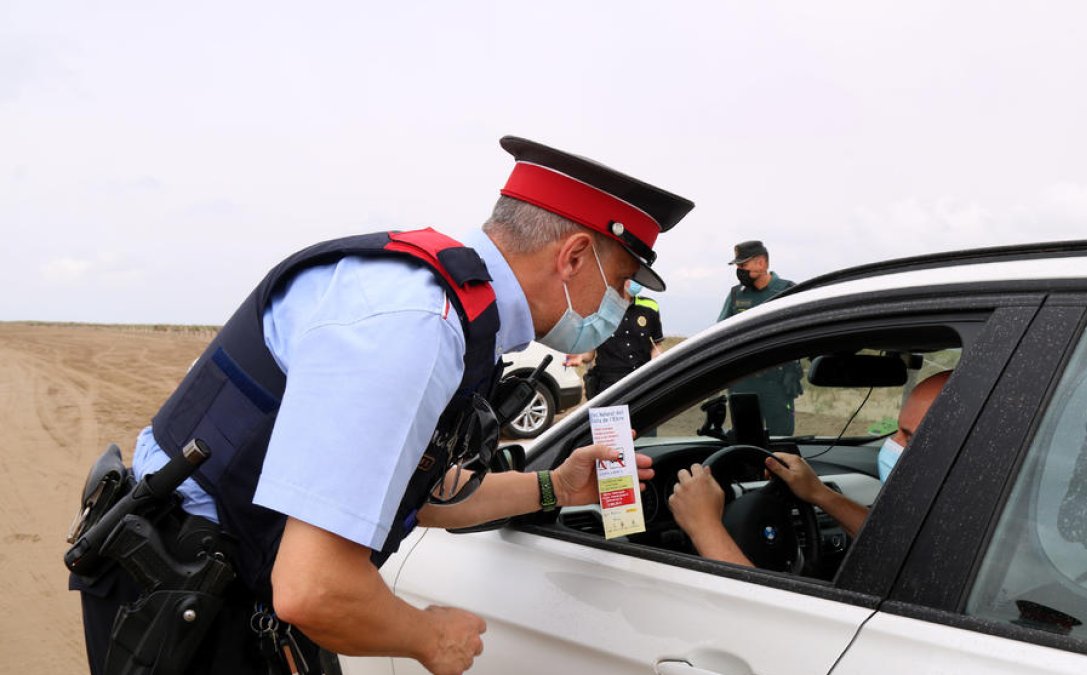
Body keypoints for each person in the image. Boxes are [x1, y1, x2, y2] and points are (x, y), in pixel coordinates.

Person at [68, 135, 693, 675]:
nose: (619, 305)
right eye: (620, 283)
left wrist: (556, 487)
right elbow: (314, 591)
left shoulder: (452, 313)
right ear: (575, 255)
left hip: (222, 582)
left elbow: (404, 489)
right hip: (185, 600)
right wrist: (429, 639)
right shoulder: (414, 327)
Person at [668, 370, 951, 567]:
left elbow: (770, 627)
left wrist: (703, 526)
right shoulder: (965, 522)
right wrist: (818, 493)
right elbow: (898, 547)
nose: (892, 443)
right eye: (896, 429)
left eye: (910, 437)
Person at [717, 240, 801, 435]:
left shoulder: (788, 291)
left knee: (781, 440)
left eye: (743, 265)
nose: (739, 270)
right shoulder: (736, 294)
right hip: (743, 382)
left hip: (778, 384)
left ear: (761, 263)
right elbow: (721, 333)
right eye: (737, 266)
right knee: (746, 439)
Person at [564, 279, 664, 400]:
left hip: (642, 382)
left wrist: (658, 363)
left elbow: (656, 345)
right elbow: (590, 353)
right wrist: (580, 356)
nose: (637, 282)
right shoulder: (598, 310)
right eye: (632, 276)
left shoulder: (651, 306)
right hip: (608, 386)